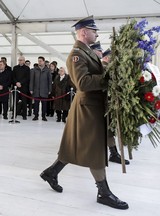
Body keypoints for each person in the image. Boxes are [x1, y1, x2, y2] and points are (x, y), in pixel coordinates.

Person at [40, 16, 128, 210]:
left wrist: (108, 69)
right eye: (94, 30)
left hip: (92, 106)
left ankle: (51, 172)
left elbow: (97, 71)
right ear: (83, 32)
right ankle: (103, 192)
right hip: (88, 107)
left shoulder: (87, 52)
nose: (96, 34)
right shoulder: (76, 55)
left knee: (77, 146)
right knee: (94, 150)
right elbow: (83, 83)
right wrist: (107, 78)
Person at [101, 48, 130, 165]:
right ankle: (113, 153)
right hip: (103, 105)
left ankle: (113, 153)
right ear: (107, 58)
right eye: (112, 58)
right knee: (104, 130)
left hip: (107, 104)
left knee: (108, 130)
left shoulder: (107, 68)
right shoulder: (103, 68)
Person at [29, 56, 52, 121]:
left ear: (44, 61)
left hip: (44, 90)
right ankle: (36, 116)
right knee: (36, 104)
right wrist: (31, 89)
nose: (39, 62)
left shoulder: (47, 70)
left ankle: (43, 116)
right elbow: (32, 80)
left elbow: (49, 81)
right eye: (38, 61)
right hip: (36, 90)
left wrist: (50, 90)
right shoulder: (34, 70)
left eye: (40, 61)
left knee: (44, 105)